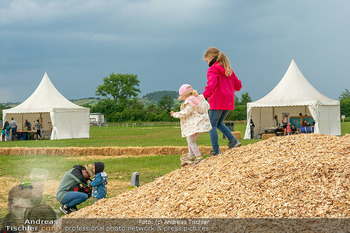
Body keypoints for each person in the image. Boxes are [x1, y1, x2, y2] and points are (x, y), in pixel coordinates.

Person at [202, 47, 242, 156]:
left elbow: (212, 84)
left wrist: (205, 95)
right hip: (228, 101)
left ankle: (215, 151)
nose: (207, 63)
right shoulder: (229, 70)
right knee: (218, 123)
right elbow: (238, 85)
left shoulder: (213, 69)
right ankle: (233, 141)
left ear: (210, 57)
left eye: (207, 60)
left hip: (218, 100)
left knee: (211, 125)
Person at [171, 84, 212, 166]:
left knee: (191, 141)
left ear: (184, 95)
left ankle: (199, 157)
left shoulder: (190, 101)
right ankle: (190, 156)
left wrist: (175, 114)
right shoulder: (199, 98)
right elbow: (207, 106)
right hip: (201, 124)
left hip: (195, 125)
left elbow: (185, 112)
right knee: (190, 139)